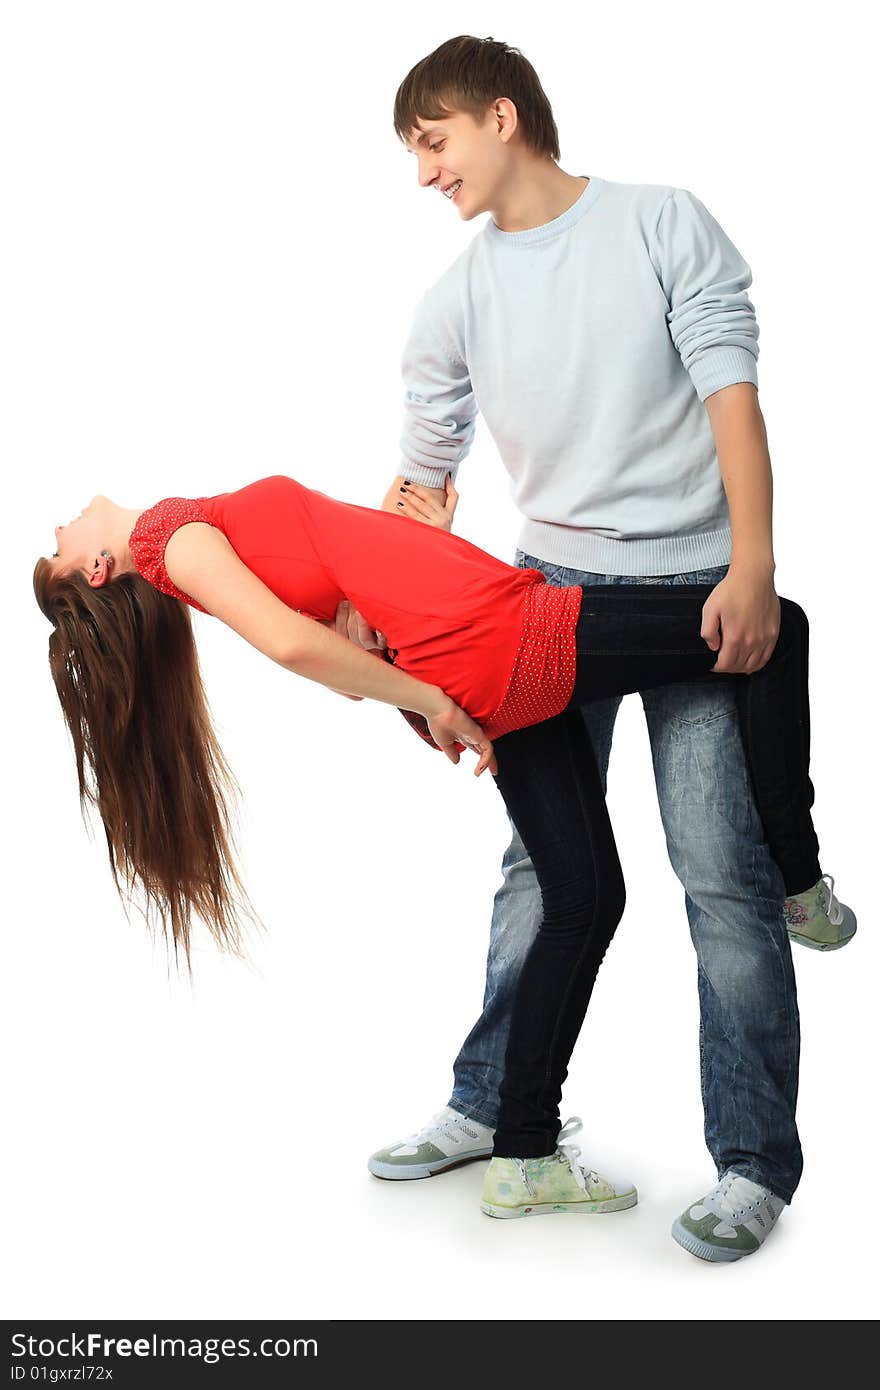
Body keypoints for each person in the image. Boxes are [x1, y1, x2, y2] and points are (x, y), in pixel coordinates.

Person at [328, 35, 858, 1260]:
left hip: (692, 587)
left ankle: (751, 1162)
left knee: (717, 871)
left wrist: (753, 566)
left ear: (499, 116)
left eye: (432, 142)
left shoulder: (661, 223)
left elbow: (733, 394)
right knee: (539, 867)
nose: (422, 173)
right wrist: (392, 618)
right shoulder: (455, 294)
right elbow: (423, 474)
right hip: (548, 597)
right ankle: (486, 1102)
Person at [36, 472, 845, 1266]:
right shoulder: (167, 541)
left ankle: (524, 1150)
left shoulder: (185, 540)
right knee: (777, 633)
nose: (60, 525)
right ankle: (800, 886)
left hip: (471, 638)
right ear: (97, 570)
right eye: (57, 549)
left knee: (582, 896)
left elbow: (332, 615)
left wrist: (411, 547)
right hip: (496, 634)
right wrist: (431, 702)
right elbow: (292, 645)